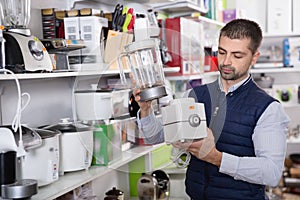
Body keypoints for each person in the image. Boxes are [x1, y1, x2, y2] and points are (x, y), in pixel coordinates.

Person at [133, 18, 290, 200]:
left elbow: (271, 173)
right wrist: (146, 109)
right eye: (222, 52)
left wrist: (216, 157)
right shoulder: (194, 95)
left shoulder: (267, 109)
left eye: (237, 56)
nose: (226, 62)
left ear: (254, 57)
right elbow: (155, 136)